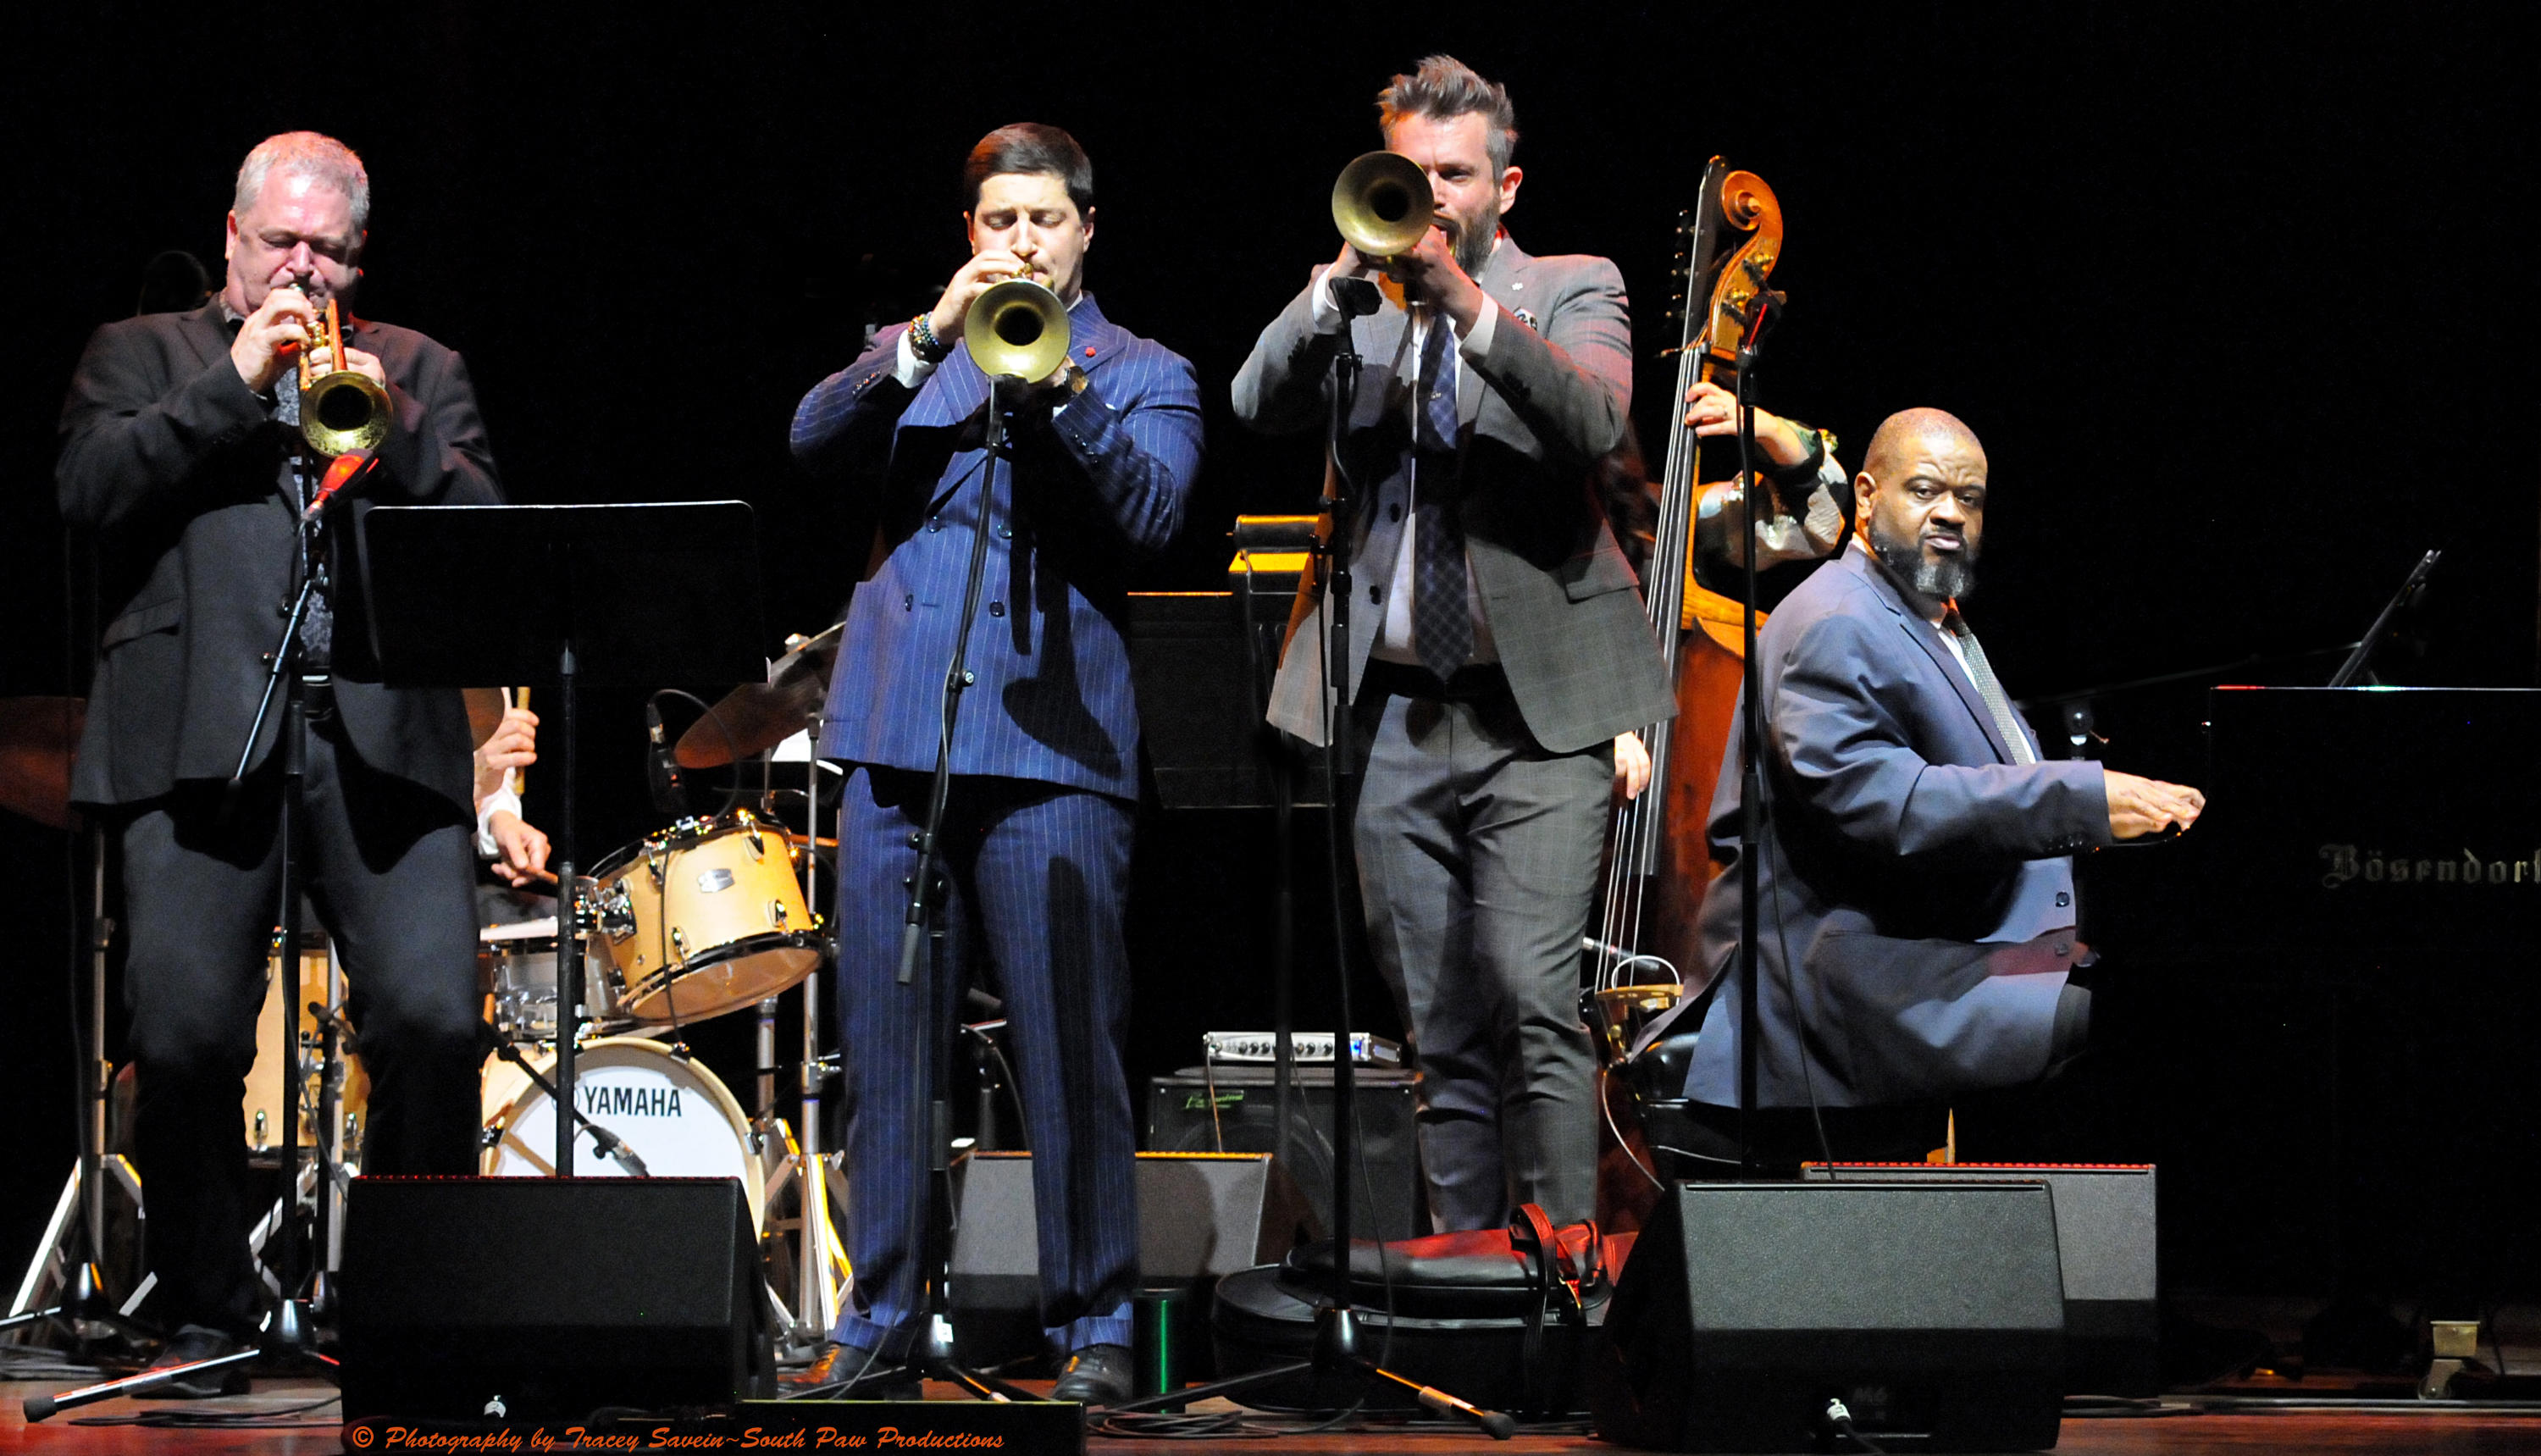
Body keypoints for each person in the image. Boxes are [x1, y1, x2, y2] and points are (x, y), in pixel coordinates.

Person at [58, 131, 502, 1390]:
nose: (303, 268)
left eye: (329, 248)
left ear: (359, 254)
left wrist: (389, 413)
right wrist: (233, 387)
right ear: (234, 236)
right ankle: (209, 1304)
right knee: (189, 1036)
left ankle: (408, 1295)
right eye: (282, 243)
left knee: (433, 1017)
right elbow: (88, 492)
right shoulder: (138, 354)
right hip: (198, 729)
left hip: (381, 737)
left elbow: (487, 536)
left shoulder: (419, 367)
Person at [789, 122, 1202, 1405]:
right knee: (888, 1048)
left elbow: (1153, 513)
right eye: (998, 221)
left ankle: (1094, 1328)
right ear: (971, 234)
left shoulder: (1143, 368)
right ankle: (881, 1322)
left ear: (1087, 229)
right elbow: (809, 442)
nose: (1021, 240)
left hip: (1057, 755)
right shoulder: (911, 361)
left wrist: (1061, 390)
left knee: (1072, 1051)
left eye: (1045, 220)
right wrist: (925, 338)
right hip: (898, 745)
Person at [1236, 57, 1675, 1233]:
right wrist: (1333, 287)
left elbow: (1594, 420)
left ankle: (1566, 1280)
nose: (1428, 195)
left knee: (1534, 997)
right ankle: (1473, 1284)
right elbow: (1251, 401)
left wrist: (1467, 308)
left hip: (1539, 714)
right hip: (1395, 714)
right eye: (1407, 171)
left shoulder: (1575, 285)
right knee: (1438, 1028)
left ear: (1505, 186)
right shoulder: (1356, 307)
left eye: (1454, 174)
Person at [1658, 407, 2206, 1169]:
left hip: (1922, 951)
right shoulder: (1837, 618)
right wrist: (2081, 800)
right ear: (1867, 494)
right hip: (1841, 988)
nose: (1949, 513)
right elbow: (1888, 803)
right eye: (1925, 491)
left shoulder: (1927, 620)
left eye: (1969, 498)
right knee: (2129, 1023)